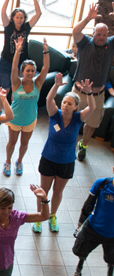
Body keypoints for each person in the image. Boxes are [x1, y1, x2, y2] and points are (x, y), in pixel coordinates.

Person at [33, 76, 95, 234]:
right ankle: (41, 216)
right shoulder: (55, 114)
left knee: (58, 192)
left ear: (75, 107)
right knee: (43, 191)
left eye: (69, 103)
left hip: (66, 163)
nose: (66, 105)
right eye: (64, 102)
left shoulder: (77, 119)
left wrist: (89, 94)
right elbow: (49, 99)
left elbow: (92, 109)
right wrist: (56, 85)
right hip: (48, 159)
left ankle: (52, 215)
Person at [71, 2, 114, 162]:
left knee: (92, 124)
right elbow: (75, 31)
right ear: (93, 33)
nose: (101, 37)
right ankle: (70, 143)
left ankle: (84, 145)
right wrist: (88, 18)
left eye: (104, 35)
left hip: (97, 94)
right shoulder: (85, 44)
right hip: (79, 93)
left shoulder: (110, 45)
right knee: (71, 119)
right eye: (98, 34)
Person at [3, 37, 49, 177]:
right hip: (15, 118)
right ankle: (8, 161)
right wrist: (17, 51)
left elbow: (46, 68)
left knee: (24, 143)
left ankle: (19, 161)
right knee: (12, 142)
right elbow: (13, 68)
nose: (30, 73)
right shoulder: (17, 82)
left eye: (32, 71)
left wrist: (46, 51)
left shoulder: (38, 83)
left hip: (30, 120)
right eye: (28, 70)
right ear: (22, 71)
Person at [69, 168, 114, 276]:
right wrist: (79, 224)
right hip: (93, 228)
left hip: (112, 236)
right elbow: (89, 204)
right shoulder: (101, 184)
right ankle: (77, 274)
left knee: (112, 260)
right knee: (81, 252)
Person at [0, 0, 42, 89]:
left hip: (21, 62)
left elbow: (38, 13)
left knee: (17, 88)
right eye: (17, 17)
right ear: (13, 18)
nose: (19, 20)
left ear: (24, 19)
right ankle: (0, 107)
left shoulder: (26, 27)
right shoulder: (8, 27)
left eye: (21, 18)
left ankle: (15, 106)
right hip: (6, 61)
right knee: (4, 89)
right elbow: (3, 12)